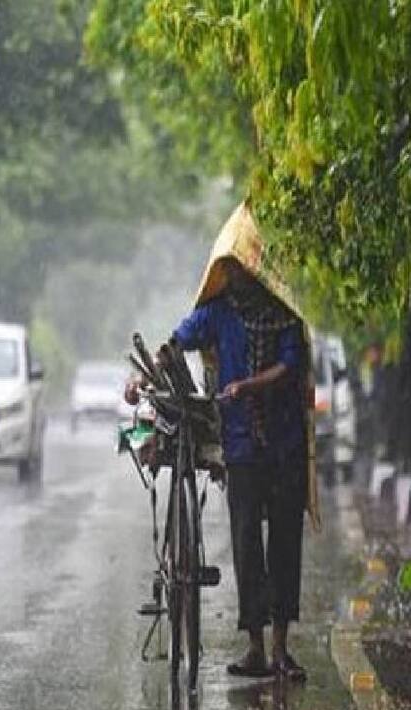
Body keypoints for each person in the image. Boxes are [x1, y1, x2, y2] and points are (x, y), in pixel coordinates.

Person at [127, 203, 315, 681]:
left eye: (236, 267)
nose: (230, 276)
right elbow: (181, 336)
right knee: (247, 543)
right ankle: (255, 646)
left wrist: (250, 386)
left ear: (254, 269)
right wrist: (154, 362)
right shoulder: (219, 314)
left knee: (285, 546)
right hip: (241, 447)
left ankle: (280, 649)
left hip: (285, 444)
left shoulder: (285, 317)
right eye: (224, 268)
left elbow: (290, 368)